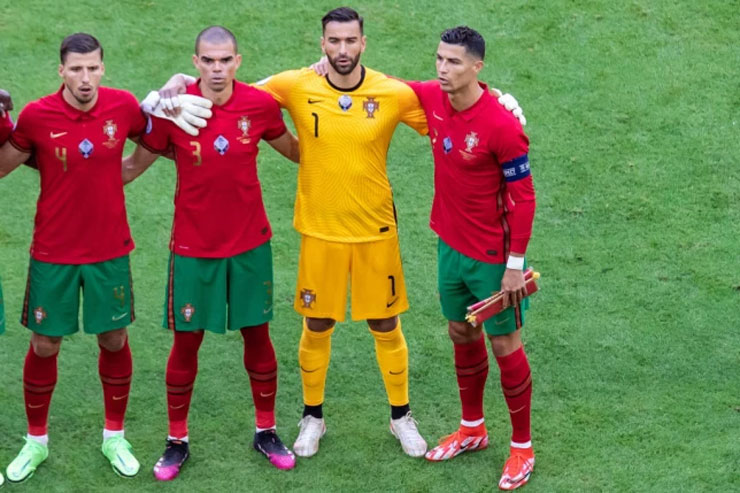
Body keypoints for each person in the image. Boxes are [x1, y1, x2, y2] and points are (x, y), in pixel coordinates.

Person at [122, 26, 301, 480]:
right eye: (208, 60)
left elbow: (302, 153)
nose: (217, 68)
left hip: (249, 245)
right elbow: (129, 169)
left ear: (238, 61)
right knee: (187, 342)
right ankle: (176, 440)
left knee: (257, 336)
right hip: (193, 248)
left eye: (225, 60)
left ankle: (266, 431)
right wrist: (47, 160)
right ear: (195, 62)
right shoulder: (174, 111)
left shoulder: (259, 106)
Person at [0, 33, 147, 482]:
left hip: (108, 250)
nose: (85, 77)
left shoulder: (123, 107)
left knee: (114, 340)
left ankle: (114, 436)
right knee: (45, 344)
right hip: (54, 251)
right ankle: (36, 441)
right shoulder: (37, 115)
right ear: (61, 71)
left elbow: (157, 138)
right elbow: (4, 163)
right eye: (76, 69)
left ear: (103, 68)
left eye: (93, 68)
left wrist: (124, 172)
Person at [406, 27, 537, 490]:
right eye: (439, 59)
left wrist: (515, 265)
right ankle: (473, 429)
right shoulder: (431, 98)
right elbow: (379, 86)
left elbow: (524, 198)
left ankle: (521, 447)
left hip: (492, 258)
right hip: (449, 248)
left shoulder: (502, 125)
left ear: (477, 67)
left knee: (505, 345)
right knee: (460, 331)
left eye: (454, 62)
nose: (443, 69)